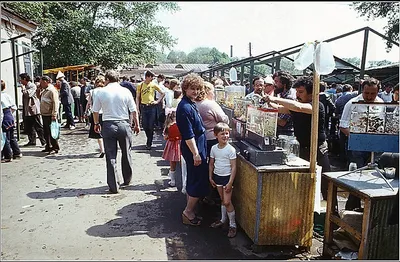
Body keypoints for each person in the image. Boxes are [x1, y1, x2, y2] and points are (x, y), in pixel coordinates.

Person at [265, 76, 331, 200]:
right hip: (302, 148)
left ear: (311, 93)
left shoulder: (316, 106)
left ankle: (332, 214)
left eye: (301, 92)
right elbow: (280, 109)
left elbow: (297, 107)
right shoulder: (298, 105)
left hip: (318, 149)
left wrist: (273, 98)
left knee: (326, 185)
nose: (297, 95)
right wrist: (268, 102)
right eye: (297, 92)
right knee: (303, 183)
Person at [339, 78, 383, 210]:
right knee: (355, 178)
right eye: (366, 93)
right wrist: (358, 139)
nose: (369, 96)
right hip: (356, 147)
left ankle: (369, 210)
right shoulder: (352, 103)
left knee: (371, 178)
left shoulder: (381, 103)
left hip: (375, 147)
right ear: (362, 91)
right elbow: (342, 125)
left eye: (372, 94)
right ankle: (351, 210)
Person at [92, 70, 140, 194]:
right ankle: (127, 179)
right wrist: (137, 125)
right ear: (118, 79)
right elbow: (133, 110)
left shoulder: (101, 92)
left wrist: (96, 124)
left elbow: (95, 111)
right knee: (126, 152)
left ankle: (113, 186)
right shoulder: (126, 91)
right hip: (124, 124)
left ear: (107, 79)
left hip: (108, 124)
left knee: (111, 155)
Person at [176, 73, 209, 226]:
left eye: (197, 88)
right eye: (192, 89)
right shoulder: (184, 107)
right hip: (194, 147)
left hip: (198, 144)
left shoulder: (190, 103)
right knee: (199, 180)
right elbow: (188, 134)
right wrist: (196, 153)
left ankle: (190, 210)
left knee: (194, 177)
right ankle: (188, 212)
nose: (195, 91)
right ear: (185, 89)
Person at [208, 122, 237, 238]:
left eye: (227, 133)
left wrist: (230, 182)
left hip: (227, 178)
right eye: (222, 134)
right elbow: (211, 164)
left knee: (227, 201)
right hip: (217, 176)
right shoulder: (214, 148)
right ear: (216, 135)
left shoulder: (231, 150)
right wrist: (210, 177)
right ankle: (223, 219)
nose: (225, 136)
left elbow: (234, 167)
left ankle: (233, 225)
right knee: (222, 199)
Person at [195, 81, 229, 157]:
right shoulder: (210, 104)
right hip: (213, 137)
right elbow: (224, 119)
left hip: (199, 138)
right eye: (212, 92)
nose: (214, 94)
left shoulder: (194, 103)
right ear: (207, 92)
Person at [136, 71, 165, 149]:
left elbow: (162, 93)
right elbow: (138, 97)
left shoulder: (153, 85)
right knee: (145, 125)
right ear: (147, 77)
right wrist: (137, 107)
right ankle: (149, 137)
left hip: (152, 106)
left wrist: (157, 101)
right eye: (151, 77)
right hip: (143, 106)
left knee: (151, 125)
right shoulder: (140, 85)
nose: (152, 78)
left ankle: (149, 142)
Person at [19, 73, 46, 147]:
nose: (20, 81)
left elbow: (28, 95)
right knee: (29, 127)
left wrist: (23, 89)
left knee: (38, 126)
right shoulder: (26, 86)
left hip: (33, 110)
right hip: (27, 109)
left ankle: (44, 141)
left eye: (21, 79)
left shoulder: (32, 86)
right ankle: (32, 141)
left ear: (24, 79)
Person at [1, 80, 22, 162]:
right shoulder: (7, 95)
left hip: (3, 116)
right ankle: (17, 152)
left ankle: (8, 156)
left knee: (4, 137)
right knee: (12, 136)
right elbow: (14, 107)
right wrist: (10, 114)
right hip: (9, 115)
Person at [38, 76, 60, 154]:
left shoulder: (52, 90)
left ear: (46, 81)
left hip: (50, 114)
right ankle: (48, 146)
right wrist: (38, 89)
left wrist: (54, 114)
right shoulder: (44, 90)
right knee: (46, 132)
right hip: (45, 114)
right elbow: (39, 98)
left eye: (41, 82)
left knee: (52, 132)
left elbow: (55, 103)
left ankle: (55, 147)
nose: (40, 84)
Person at [86, 75, 106, 158]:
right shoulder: (106, 91)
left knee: (98, 132)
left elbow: (89, 103)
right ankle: (107, 148)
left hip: (96, 113)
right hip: (105, 113)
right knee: (106, 132)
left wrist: (85, 111)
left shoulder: (92, 91)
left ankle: (102, 150)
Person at [272, 71, 297, 136]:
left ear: (284, 84)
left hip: (286, 135)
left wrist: (266, 115)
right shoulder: (281, 95)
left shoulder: (290, 98)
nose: (274, 84)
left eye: (276, 82)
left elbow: (282, 122)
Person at [162, 109, 181, 187]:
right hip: (179, 145)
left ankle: (172, 181)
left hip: (171, 146)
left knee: (172, 164)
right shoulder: (179, 125)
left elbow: (165, 137)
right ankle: (184, 181)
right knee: (182, 164)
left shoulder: (168, 127)